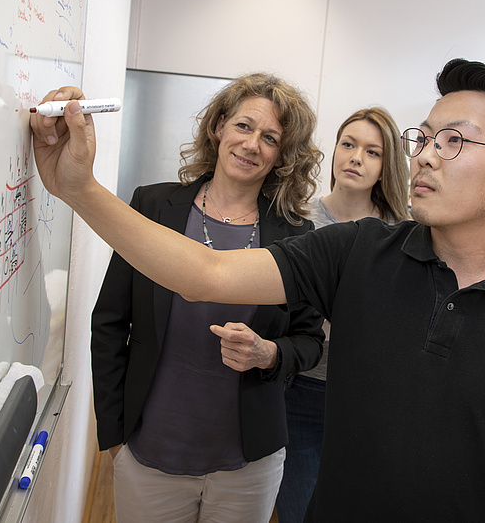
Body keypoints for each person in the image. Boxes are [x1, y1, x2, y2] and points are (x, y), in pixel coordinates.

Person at [30, 59, 485, 522]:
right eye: (423, 138)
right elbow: (206, 273)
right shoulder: (358, 252)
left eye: (454, 140)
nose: (424, 156)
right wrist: (80, 188)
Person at [89, 73, 325, 522]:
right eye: (243, 126)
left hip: (248, 464)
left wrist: (269, 352)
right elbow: (110, 322)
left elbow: (309, 340)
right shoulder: (154, 207)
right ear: (218, 127)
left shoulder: (296, 236)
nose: (252, 144)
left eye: (270, 137)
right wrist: (114, 434)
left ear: (282, 156)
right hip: (149, 450)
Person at [275, 107, 410, 523]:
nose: (355, 157)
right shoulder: (299, 222)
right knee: (299, 511)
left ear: (387, 165)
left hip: (368, 399)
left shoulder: (401, 233)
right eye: (348, 144)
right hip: (299, 390)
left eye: (372, 152)